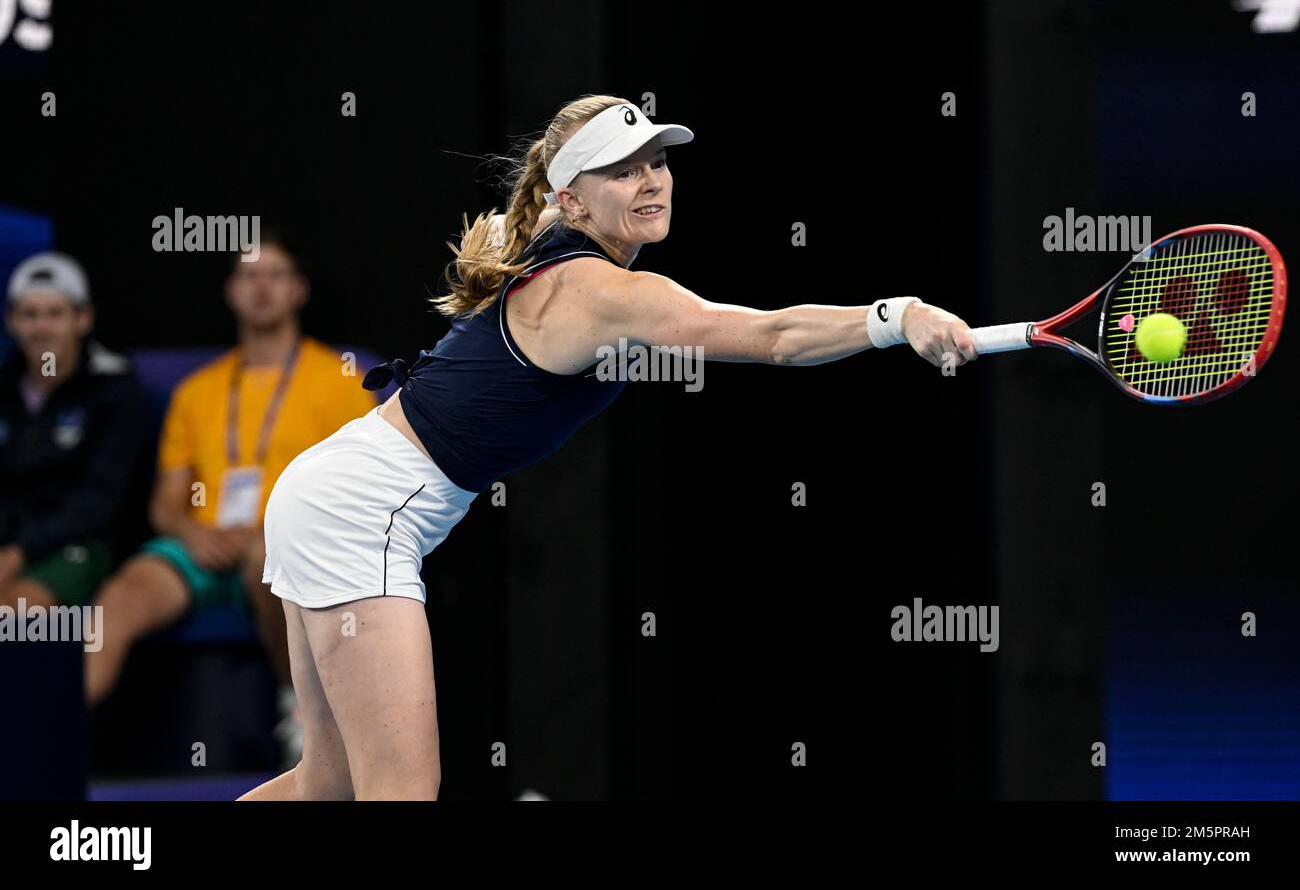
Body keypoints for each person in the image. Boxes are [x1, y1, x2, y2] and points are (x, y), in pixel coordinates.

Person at [241, 95, 978, 801]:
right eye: (622, 169)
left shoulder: (559, 257)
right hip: (362, 511)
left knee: (326, 784)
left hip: (331, 490)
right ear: (573, 200)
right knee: (400, 790)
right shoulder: (603, 289)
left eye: (656, 160)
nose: (651, 178)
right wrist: (897, 315)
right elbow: (775, 339)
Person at [86, 233, 376, 769]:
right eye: (249, 275)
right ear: (231, 292)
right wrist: (193, 533)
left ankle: (304, 713)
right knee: (115, 600)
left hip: (286, 546)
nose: (262, 287)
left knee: (265, 558)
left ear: (299, 289)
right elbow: (167, 505)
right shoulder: (197, 391)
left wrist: (273, 531)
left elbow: (355, 492)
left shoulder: (341, 380)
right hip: (203, 549)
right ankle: (51, 738)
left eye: (275, 275)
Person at [0, 252, 148, 611]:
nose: (42, 327)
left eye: (55, 313)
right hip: (10, 542)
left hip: (83, 544)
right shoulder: (4, 386)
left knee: (14, 612)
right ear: (12, 321)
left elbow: (97, 501)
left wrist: (20, 553)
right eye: (30, 314)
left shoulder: (113, 388)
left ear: (82, 318)